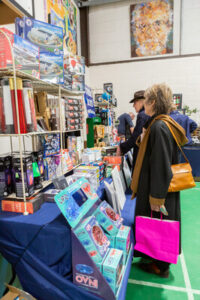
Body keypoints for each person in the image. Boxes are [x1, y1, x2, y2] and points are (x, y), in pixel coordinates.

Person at [131, 83, 188, 277]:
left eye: (146, 100)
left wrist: (156, 197)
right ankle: (154, 257)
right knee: (156, 223)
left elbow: (161, 164)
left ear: (153, 102)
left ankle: (161, 265)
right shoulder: (159, 124)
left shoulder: (160, 126)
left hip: (158, 188)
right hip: (158, 186)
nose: (144, 104)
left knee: (160, 224)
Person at [116, 90, 150, 171]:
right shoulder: (147, 114)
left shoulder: (142, 115)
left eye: (134, 103)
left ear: (140, 102)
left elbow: (136, 138)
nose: (133, 106)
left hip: (142, 158)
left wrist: (121, 147)